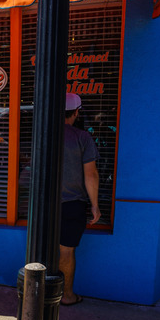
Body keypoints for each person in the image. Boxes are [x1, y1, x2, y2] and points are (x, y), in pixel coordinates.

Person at [60, 93, 100, 306]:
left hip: (43, 206)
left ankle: (40, 297)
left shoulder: (45, 134)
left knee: (42, 250)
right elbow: (91, 174)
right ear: (76, 112)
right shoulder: (82, 137)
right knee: (66, 252)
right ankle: (66, 296)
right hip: (72, 205)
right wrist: (95, 205)